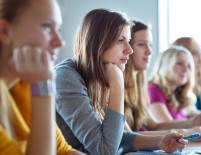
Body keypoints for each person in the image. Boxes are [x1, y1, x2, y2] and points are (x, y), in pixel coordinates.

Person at [55, 9, 187, 155]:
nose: (129, 50)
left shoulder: (98, 78)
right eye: (120, 41)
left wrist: (160, 141)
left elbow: (113, 138)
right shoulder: (65, 79)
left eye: (128, 41)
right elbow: (105, 150)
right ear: (97, 43)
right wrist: (118, 87)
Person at [0, 0, 85, 154]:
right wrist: (43, 86)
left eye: (57, 28)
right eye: (47, 26)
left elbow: (64, 151)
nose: (60, 42)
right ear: (4, 31)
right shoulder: (37, 83)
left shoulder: (23, 83)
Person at [124, 20, 201, 140]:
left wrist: (193, 122)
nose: (149, 52)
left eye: (150, 45)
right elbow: (127, 137)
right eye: (141, 44)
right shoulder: (150, 89)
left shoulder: (139, 87)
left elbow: (155, 126)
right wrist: (187, 132)